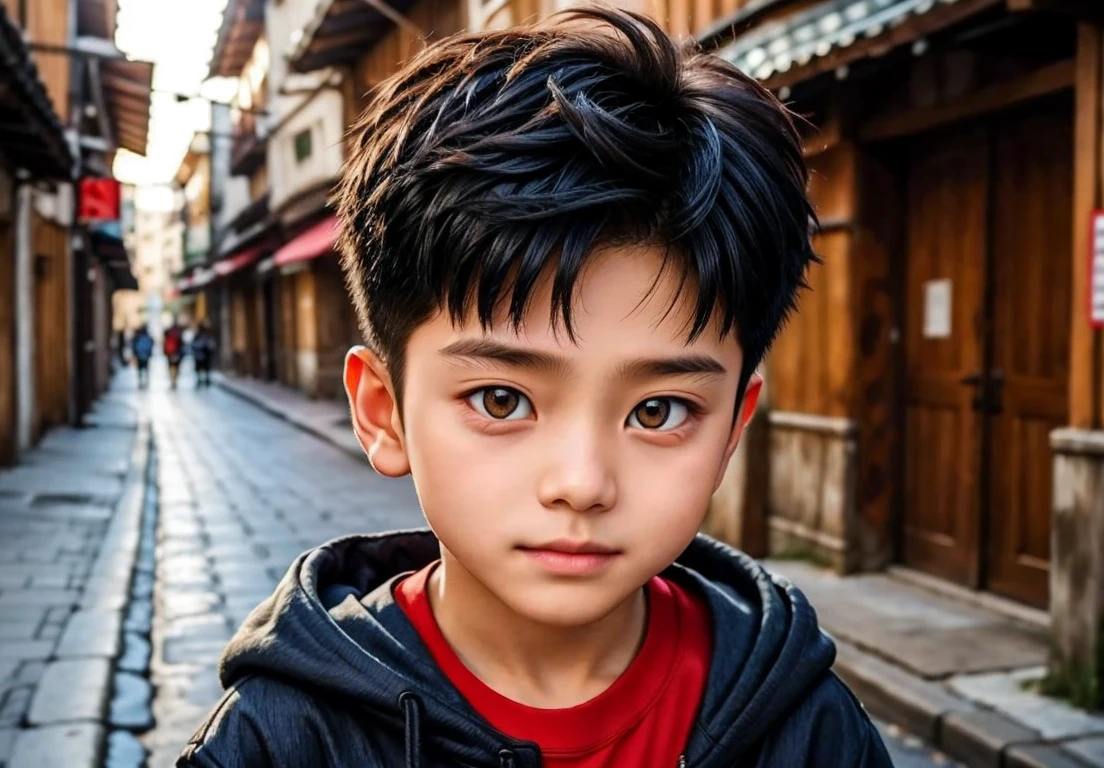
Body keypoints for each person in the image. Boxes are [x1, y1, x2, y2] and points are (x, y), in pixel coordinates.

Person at [179, 9, 893, 768]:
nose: (581, 484)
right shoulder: (283, 739)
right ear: (383, 412)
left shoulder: (804, 729)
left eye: (659, 411)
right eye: (500, 400)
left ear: (729, 433)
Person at [191, 323, 217, 388]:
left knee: (205, 367)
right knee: (201, 368)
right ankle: (201, 379)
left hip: (205, 355)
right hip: (200, 355)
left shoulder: (206, 336)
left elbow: (211, 345)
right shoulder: (199, 336)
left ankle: (206, 379)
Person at [163, 323, 184, 390]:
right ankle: (174, 380)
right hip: (176, 354)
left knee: (171, 368)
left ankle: (172, 381)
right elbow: (182, 345)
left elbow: (165, 345)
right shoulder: (178, 335)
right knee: (176, 368)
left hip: (170, 354)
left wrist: (166, 353)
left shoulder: (168, 335)